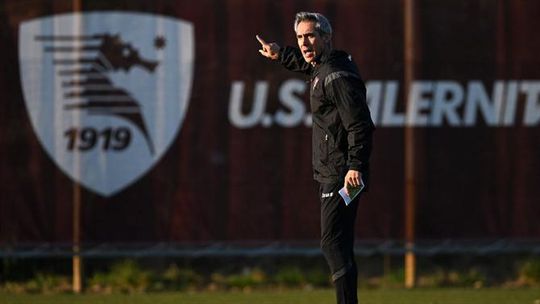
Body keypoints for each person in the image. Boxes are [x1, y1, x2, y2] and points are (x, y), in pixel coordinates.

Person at [257, 12, 374, 304]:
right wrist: (279, 53)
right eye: (300, 37)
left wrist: (355, 166)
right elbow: (308, 66)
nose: (305, 43)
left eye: (310, 36)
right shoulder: (324, 68)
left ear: (326, 37)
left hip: (342, 172)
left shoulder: (335, 76)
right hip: (338, 170)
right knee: (339, 243)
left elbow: (360, 123)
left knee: (332, 243)